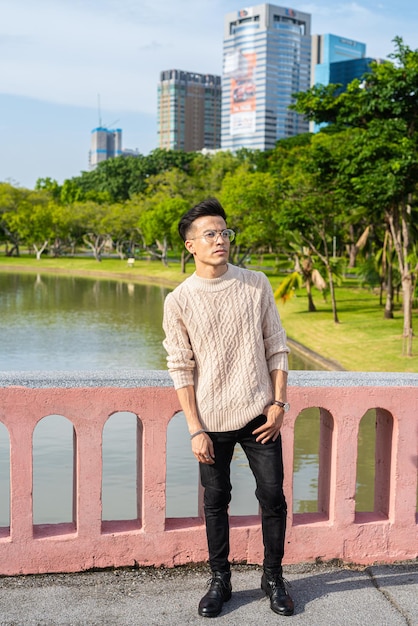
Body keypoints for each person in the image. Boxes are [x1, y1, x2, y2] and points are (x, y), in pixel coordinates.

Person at [162, 198, 294, 618]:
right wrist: (194, 428)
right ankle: (220, 579)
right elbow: (180, 368)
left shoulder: (256, 283)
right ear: (191, 247)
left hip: (260, 414)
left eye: (224, 232)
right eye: (210, 234)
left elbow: (277, 347)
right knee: (216, 501)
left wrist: (278, 404)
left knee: (273, 496)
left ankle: (273, 576)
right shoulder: (178, 300)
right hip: (210, 422)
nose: (221, 240)